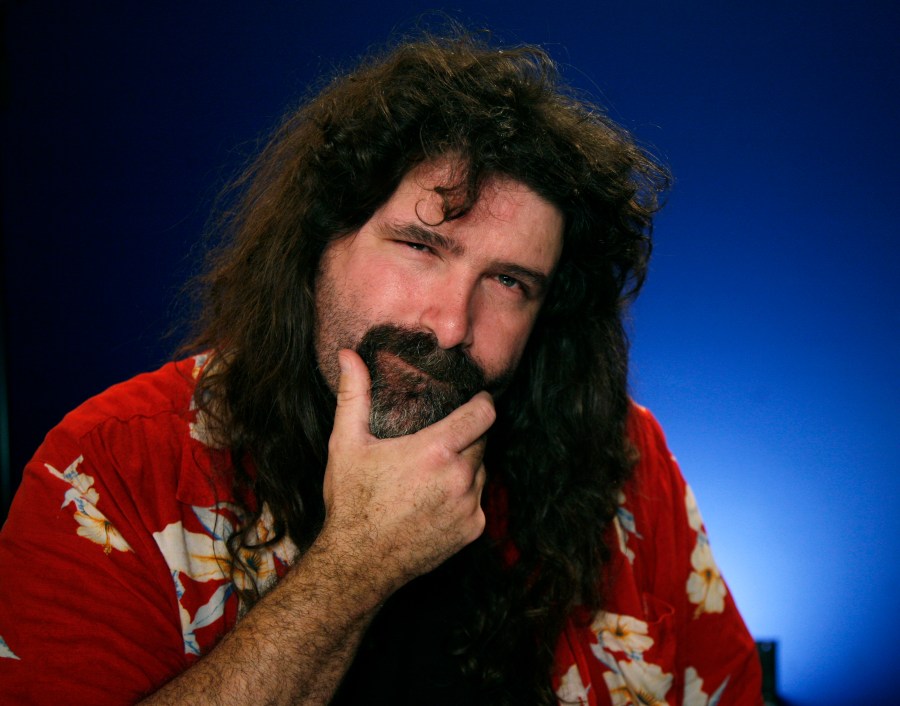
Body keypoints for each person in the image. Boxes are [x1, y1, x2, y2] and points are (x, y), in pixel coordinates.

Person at [0, 32, 762, 705]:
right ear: (319, 244)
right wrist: (357, 563)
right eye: (420, 247)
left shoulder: (623, 463)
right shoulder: (115, 463)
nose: (451, 325)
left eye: (508, 282)